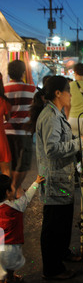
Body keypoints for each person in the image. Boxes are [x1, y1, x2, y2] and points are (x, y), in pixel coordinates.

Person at [32, 76, 83, 280]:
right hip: (54, 180)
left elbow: (61, 141)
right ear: (58, 93)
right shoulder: (50, 116)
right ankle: (52, 269)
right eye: (68, 90)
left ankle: (63, 254)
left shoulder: (55, 113)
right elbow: (52, 149)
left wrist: (77, 141)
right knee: (54, 224)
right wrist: (79, 143)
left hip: (62, 178)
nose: (71, 94)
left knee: (63, 220)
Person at [0, 173, 45, 283]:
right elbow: (27, 198)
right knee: (11, 263)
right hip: (12, 245)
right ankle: (10, 278)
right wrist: (36, 183)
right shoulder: (15, 206)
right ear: (8, 192)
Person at [4, 59, 37, 198]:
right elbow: (35, 111)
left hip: (6, 131)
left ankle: (12, 188)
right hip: (24, 131)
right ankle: (14, 187)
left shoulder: (3, 89)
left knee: (10, 163)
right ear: (24, 73)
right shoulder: (32, 90)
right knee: (22, 163)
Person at [0, 73, 12, 176]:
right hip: (1, 139)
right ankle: (6, 191)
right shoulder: (4, 101)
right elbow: (8, 119)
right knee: (6, 171)